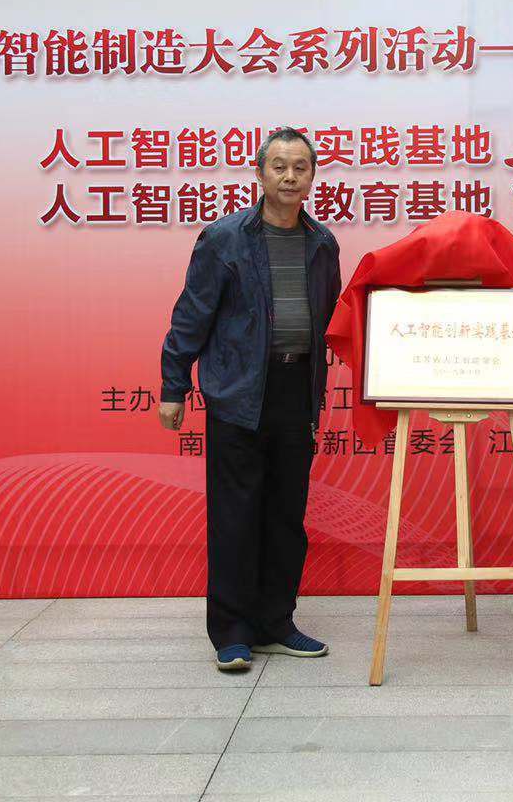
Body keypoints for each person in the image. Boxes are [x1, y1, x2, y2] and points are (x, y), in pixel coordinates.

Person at [158, 127, 342, 672]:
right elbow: (191, 315)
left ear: (313, 176)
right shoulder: (224, 239)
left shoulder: (323, 244)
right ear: (259, 174)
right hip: (238, 392)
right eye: (279, 166)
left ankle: (276, 623)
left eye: (300, 167)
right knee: (235, 516)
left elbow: (331, 317)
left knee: (286, 516)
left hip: (296, 391)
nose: (290, 177)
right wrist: (173, 386)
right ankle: (233, 632)